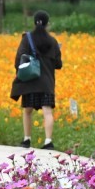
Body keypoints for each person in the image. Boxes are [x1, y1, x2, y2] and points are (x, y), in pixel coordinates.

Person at [10, 10, 63, 150]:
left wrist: (20, 73)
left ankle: (26, 140)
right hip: (46, 83)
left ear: (34, 22)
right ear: (47, 24)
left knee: (27, 111)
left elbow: (18, 59)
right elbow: (58, 64)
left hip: (30, 82)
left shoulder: (27, 39)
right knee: (47, 111)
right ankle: (48, 142)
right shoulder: (53, 41)